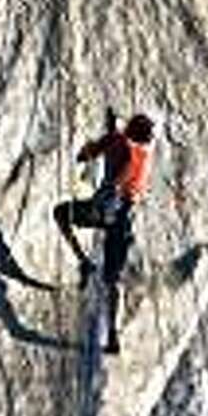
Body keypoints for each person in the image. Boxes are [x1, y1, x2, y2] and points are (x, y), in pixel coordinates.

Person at [53, 109, 156, 354]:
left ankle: (84, 261)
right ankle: (113, 335)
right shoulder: (143, 156)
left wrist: (102, 140)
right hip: (123, 222)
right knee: (112, 280)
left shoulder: (117, 141)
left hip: (102, 210)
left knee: (61, 213)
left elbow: (85, 155)